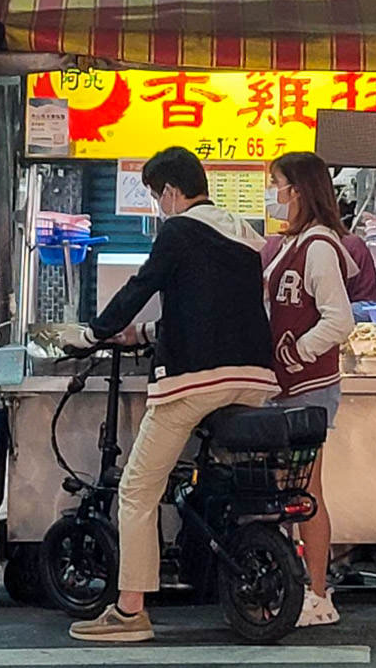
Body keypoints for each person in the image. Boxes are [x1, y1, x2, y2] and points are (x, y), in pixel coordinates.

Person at [62, 147, 278, 642]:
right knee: (224, 480)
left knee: (137, 490)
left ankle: (130, 610)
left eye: (159, 197)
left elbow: (142, 285)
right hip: (253, 376)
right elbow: (211, 307)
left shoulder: (178, 229)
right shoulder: (244, 234)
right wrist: (144, 334)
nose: (160, 207)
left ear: (173, 192)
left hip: (195, 379)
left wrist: (95, 333)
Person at [260, 152, 355, 627]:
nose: (271, 193)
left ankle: (319, 594)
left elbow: (340, 319)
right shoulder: (287, 244)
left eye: (275, 183)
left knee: (305, 492)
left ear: (297, 190)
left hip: (309, 387)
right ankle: (299, 587)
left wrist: (298, 350)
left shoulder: (317, 246)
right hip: (288, 386)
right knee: (289, 492)